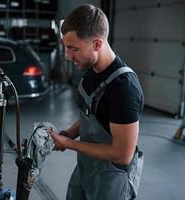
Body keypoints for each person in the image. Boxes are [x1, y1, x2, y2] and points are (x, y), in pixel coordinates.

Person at [48, 4, 144, 200]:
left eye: (73, 48)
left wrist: (69, 144)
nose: (67, 56)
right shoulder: (89, 72)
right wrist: (69, 134)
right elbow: (89, 115)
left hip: (112, 180)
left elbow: (121, 154)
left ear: (97, 44)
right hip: (86, 168)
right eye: (66, 47)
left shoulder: (124, 88)